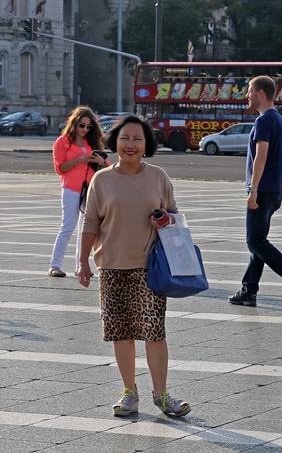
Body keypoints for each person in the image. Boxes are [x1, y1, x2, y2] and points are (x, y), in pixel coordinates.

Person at [77, 115, 190, 418]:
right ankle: (129, 392)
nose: (130, 144)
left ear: (146, 145)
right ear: (114, 142)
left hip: (149, 267)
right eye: (125, 138)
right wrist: (83, 260)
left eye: (137, 139)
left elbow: (175, 215)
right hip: (112, 266)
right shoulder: (102, 179)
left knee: (154, 331)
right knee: (120, 331)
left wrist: (165, 218)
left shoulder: (158, 177)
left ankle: (162, 395)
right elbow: (90, 222)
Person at [228, 76, 282, 309]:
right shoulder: (277, 119)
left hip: (262, 189)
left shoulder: (264, 121)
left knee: (254, 241)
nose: (246, 95)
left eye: (249, 90)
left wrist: (253, 189)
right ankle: (248, 291)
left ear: (261, 93)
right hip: (274, 190)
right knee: (258, 242)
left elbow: (261, 156)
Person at [48, 106, 107, 277]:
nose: (85, 130)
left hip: (90, 190)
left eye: (89, 127)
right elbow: (60, 168)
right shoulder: (63, 142)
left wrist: (100, 162)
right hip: (71, 189)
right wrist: (79, 160)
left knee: (85, 229)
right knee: (67, 227)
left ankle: (80, 266)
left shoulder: (92, 143)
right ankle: (55, 265)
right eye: (82, 125)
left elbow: (107, 167)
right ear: (74, 123)